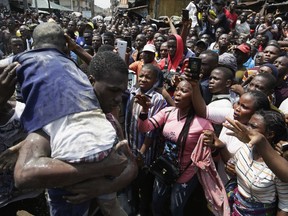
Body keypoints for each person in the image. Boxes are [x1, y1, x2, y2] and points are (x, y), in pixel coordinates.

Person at [12, 23, 136, 216]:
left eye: (122, 92)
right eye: (113, 90)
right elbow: (24, 175)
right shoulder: (56, 120)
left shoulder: (109, 121)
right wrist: (98, 168)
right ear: (91, 81)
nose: (118, 99)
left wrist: (100, 188)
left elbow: (130, 166)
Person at [136, 79, 229, 216]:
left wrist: (216, 147)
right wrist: (144, 110)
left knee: (176, 208)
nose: (178, 94)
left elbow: (210, 155)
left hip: (186, 174)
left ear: (195, 97)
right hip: (165, 168)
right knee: (157, 203)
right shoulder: (168, 112)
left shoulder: (203, 124)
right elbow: (144, 128)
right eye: (177, 89)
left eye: (184, 91)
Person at [222, 110, 288, 215]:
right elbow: (234, 167)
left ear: (270, 134)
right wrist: (230, 166)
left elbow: (285, 205)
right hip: (235, 208)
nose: (247, 129)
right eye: (248, 124)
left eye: (253, 126)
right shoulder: (246, 148)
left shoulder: (278, 167)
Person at [124, 63, 167, 215]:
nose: (143, 79)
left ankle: (143, 210)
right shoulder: (131, 93)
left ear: (155, 80)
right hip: (130, 147)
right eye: (141, 75)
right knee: (131, 184)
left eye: (148, 77)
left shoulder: (157, 99)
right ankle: (133, 208)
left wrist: (142, 153)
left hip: (145, 151)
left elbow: (152, 131)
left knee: (144, 184)